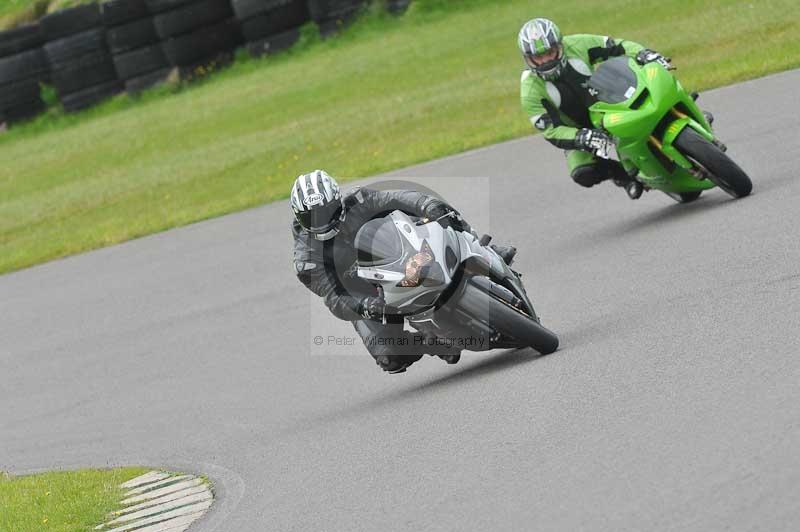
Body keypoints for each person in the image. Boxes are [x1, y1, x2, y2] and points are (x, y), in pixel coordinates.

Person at [291, 170, 517, 374]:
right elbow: (334, 297)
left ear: (337, 200)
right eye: (312, 217)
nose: (321, 221)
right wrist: (364, 306)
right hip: (368, 292)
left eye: (326, 211)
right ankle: (432, 343)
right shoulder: (306, 259)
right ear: (299, 216)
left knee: (442, 216)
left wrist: (428, 205)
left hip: (404, 250)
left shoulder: (358, 200)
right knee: (390, 357)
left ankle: (485, 250)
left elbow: (398, 198)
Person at [518, 18, 711, 198]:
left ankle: (688, 113)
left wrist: (643, 53)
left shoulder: (577, 44)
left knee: (655, 81)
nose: (546, 61)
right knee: (582, 173)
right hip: (579, 129)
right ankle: (626, 177)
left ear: (560, 46)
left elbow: (617, 45)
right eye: (539, 57)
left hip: (607, 102)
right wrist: (580, 136)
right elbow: (551, 131)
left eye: (550, 52)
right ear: (528, 59)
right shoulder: (530, 91)